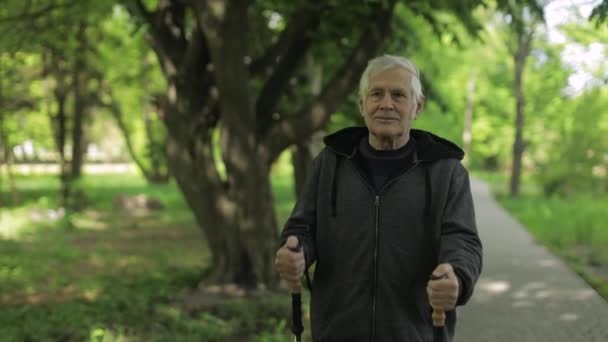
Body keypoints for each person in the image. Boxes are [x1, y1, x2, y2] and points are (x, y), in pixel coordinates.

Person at [275, 54, 483, 342]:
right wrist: (295, 252)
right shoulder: (330, 163)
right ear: (362, 105)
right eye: (376, 94)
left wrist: (457, 275)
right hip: (337, 331)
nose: (387, 104)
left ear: (417, 107)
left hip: (417, 332)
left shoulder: (446, 172)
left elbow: (464, 241)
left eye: (399, 95)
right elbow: (301, 229)